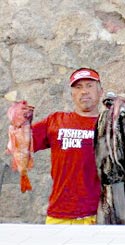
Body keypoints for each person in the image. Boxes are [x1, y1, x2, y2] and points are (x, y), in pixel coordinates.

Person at [31, 68, 103, 224]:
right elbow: (22, 143)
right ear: (72, 94)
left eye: (89, 86)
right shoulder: (56, 120)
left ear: (100, 92)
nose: (84, 91)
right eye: (78, 87)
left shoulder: (109, 126)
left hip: (96, 215)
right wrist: (19, 121)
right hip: (58, 214)